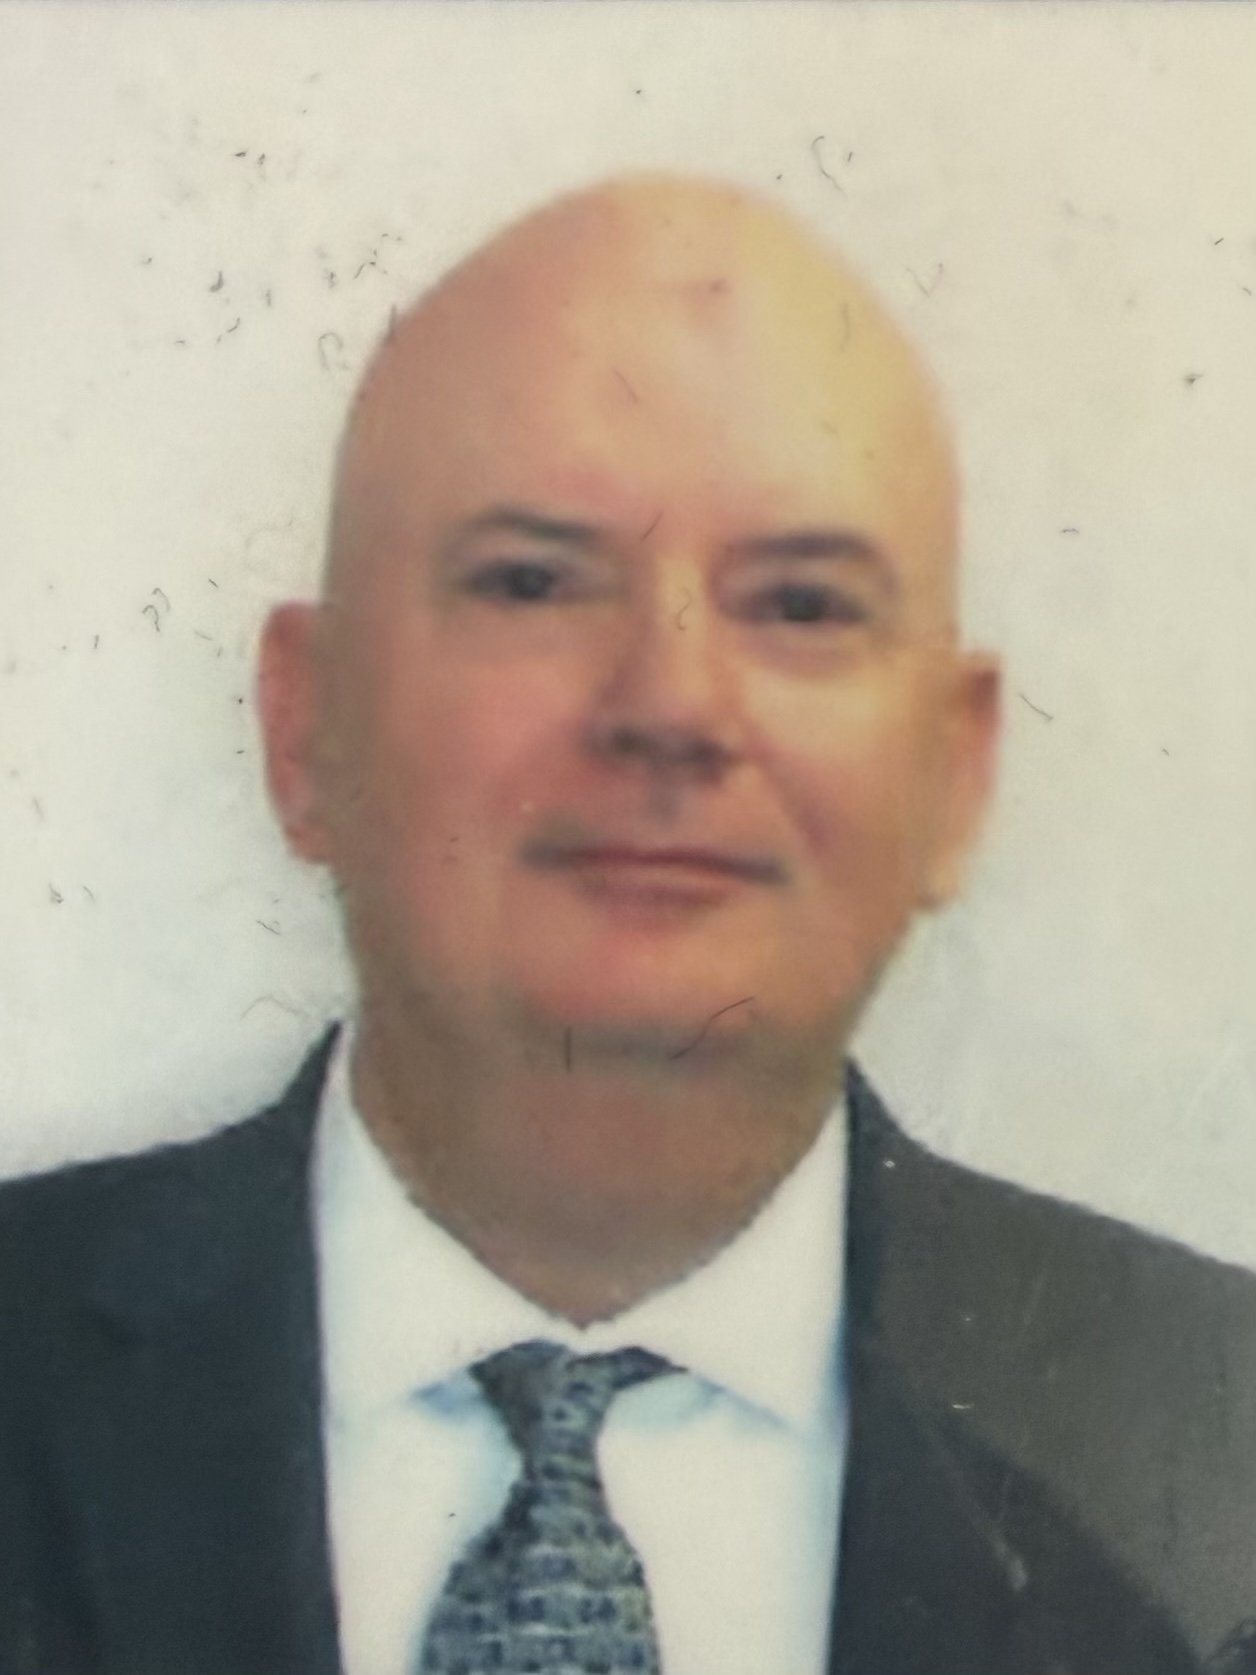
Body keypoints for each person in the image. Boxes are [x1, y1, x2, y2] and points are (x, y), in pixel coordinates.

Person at [0, 175, 1251, 1675]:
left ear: (955, 771)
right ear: (303, 728)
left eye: (799, 606)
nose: (671, 706)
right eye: (532, 581)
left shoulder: (1217, 1447)